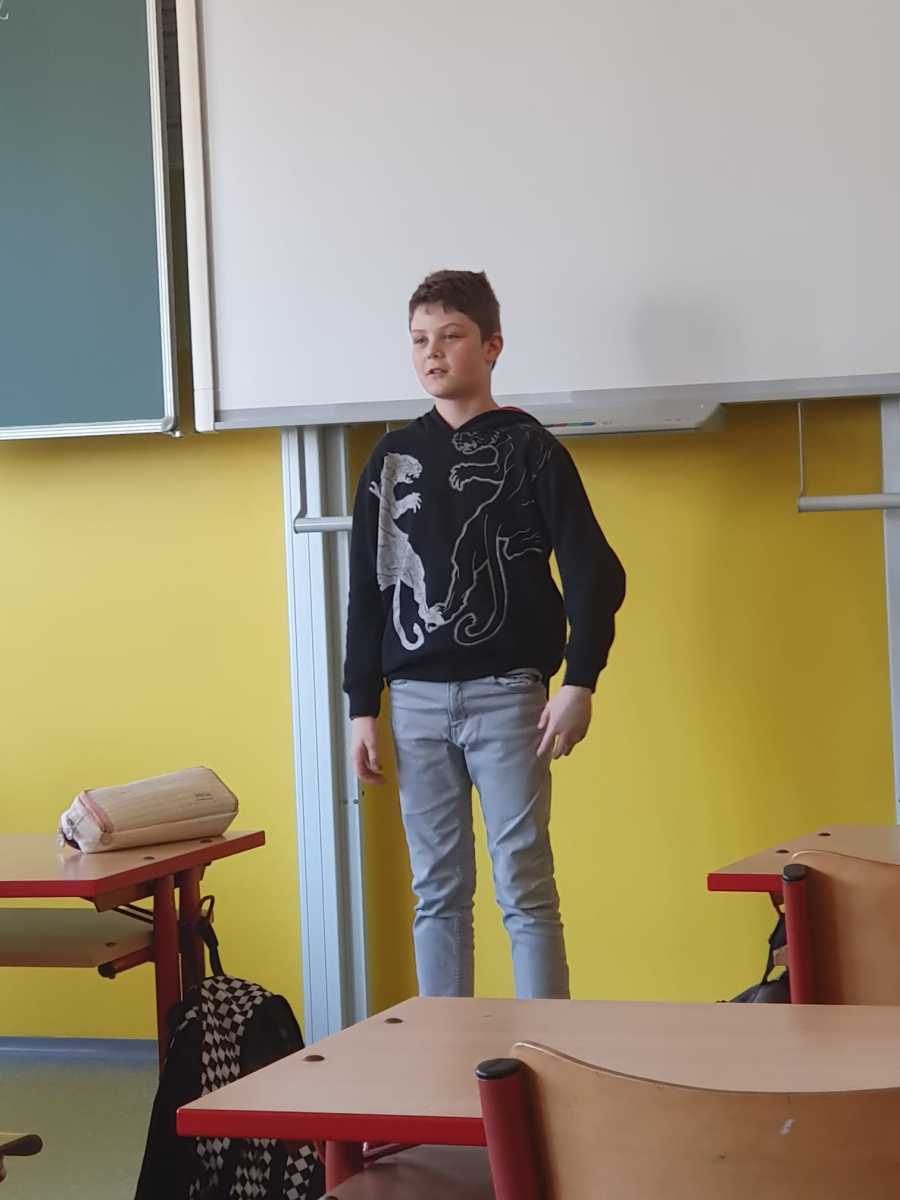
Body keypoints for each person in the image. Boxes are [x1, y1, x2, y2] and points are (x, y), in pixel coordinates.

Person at [343, 269, 625, 998]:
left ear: (492, 345)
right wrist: (361, 706)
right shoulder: (391, 459)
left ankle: (543, 1047)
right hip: (414, 702)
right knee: (436, 890)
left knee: (524, 884)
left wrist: (580, 682)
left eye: (451, 336)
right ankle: (445, 1046)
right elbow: (369, 589)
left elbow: (595, 573)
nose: (433, 353)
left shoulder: (531, 450)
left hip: (508, 697)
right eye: (419, 340)